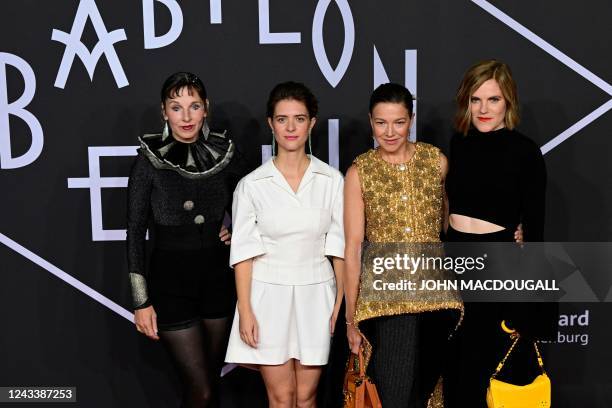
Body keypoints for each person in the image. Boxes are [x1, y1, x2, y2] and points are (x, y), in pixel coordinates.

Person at [127, 72, 247, 407]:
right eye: (176, 107)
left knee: (212, 382)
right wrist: (141, 301)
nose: (186, 116)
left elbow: (255, 206)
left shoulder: (226, 155)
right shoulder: (148, 161)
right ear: (164, 112)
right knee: (201, 390)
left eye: (194, 106)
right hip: (170, 283)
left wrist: (236, 231)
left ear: (205, 109)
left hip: (218, 281)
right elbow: (135, 231)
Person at [225, 81, 345, 408]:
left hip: (317, 296)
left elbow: (339, 248)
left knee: (306, 398)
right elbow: (244, 255)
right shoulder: (251, 186)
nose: (291, 127)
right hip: (267, 299)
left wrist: (340, 304)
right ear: (270, 124)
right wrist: (246, 309)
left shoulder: (333, 181)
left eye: (300, 118)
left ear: (312, 123)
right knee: (281, 399)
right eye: (282, 119)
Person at [343, 83, 463, 407]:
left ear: (411, 119)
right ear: (370, 121)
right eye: (381, 123)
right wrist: (351, 320)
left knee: (429, 396)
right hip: (385, 302)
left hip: (436, 300)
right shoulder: (360, 172)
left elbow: (451, 224)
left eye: (398, 122)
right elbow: (353, 247)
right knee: (393, 395)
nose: (390, 131)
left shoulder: (436, 162)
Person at [444, 59, 555, 407]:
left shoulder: (525, 152)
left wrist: (524, 303)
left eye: (493, 99)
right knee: (456, 373)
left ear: (508, 101)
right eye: (475, 100)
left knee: (492, 375)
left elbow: (535, 236)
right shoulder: (458, 144)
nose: (483, 109)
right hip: (455, 264)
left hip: (499, 268)